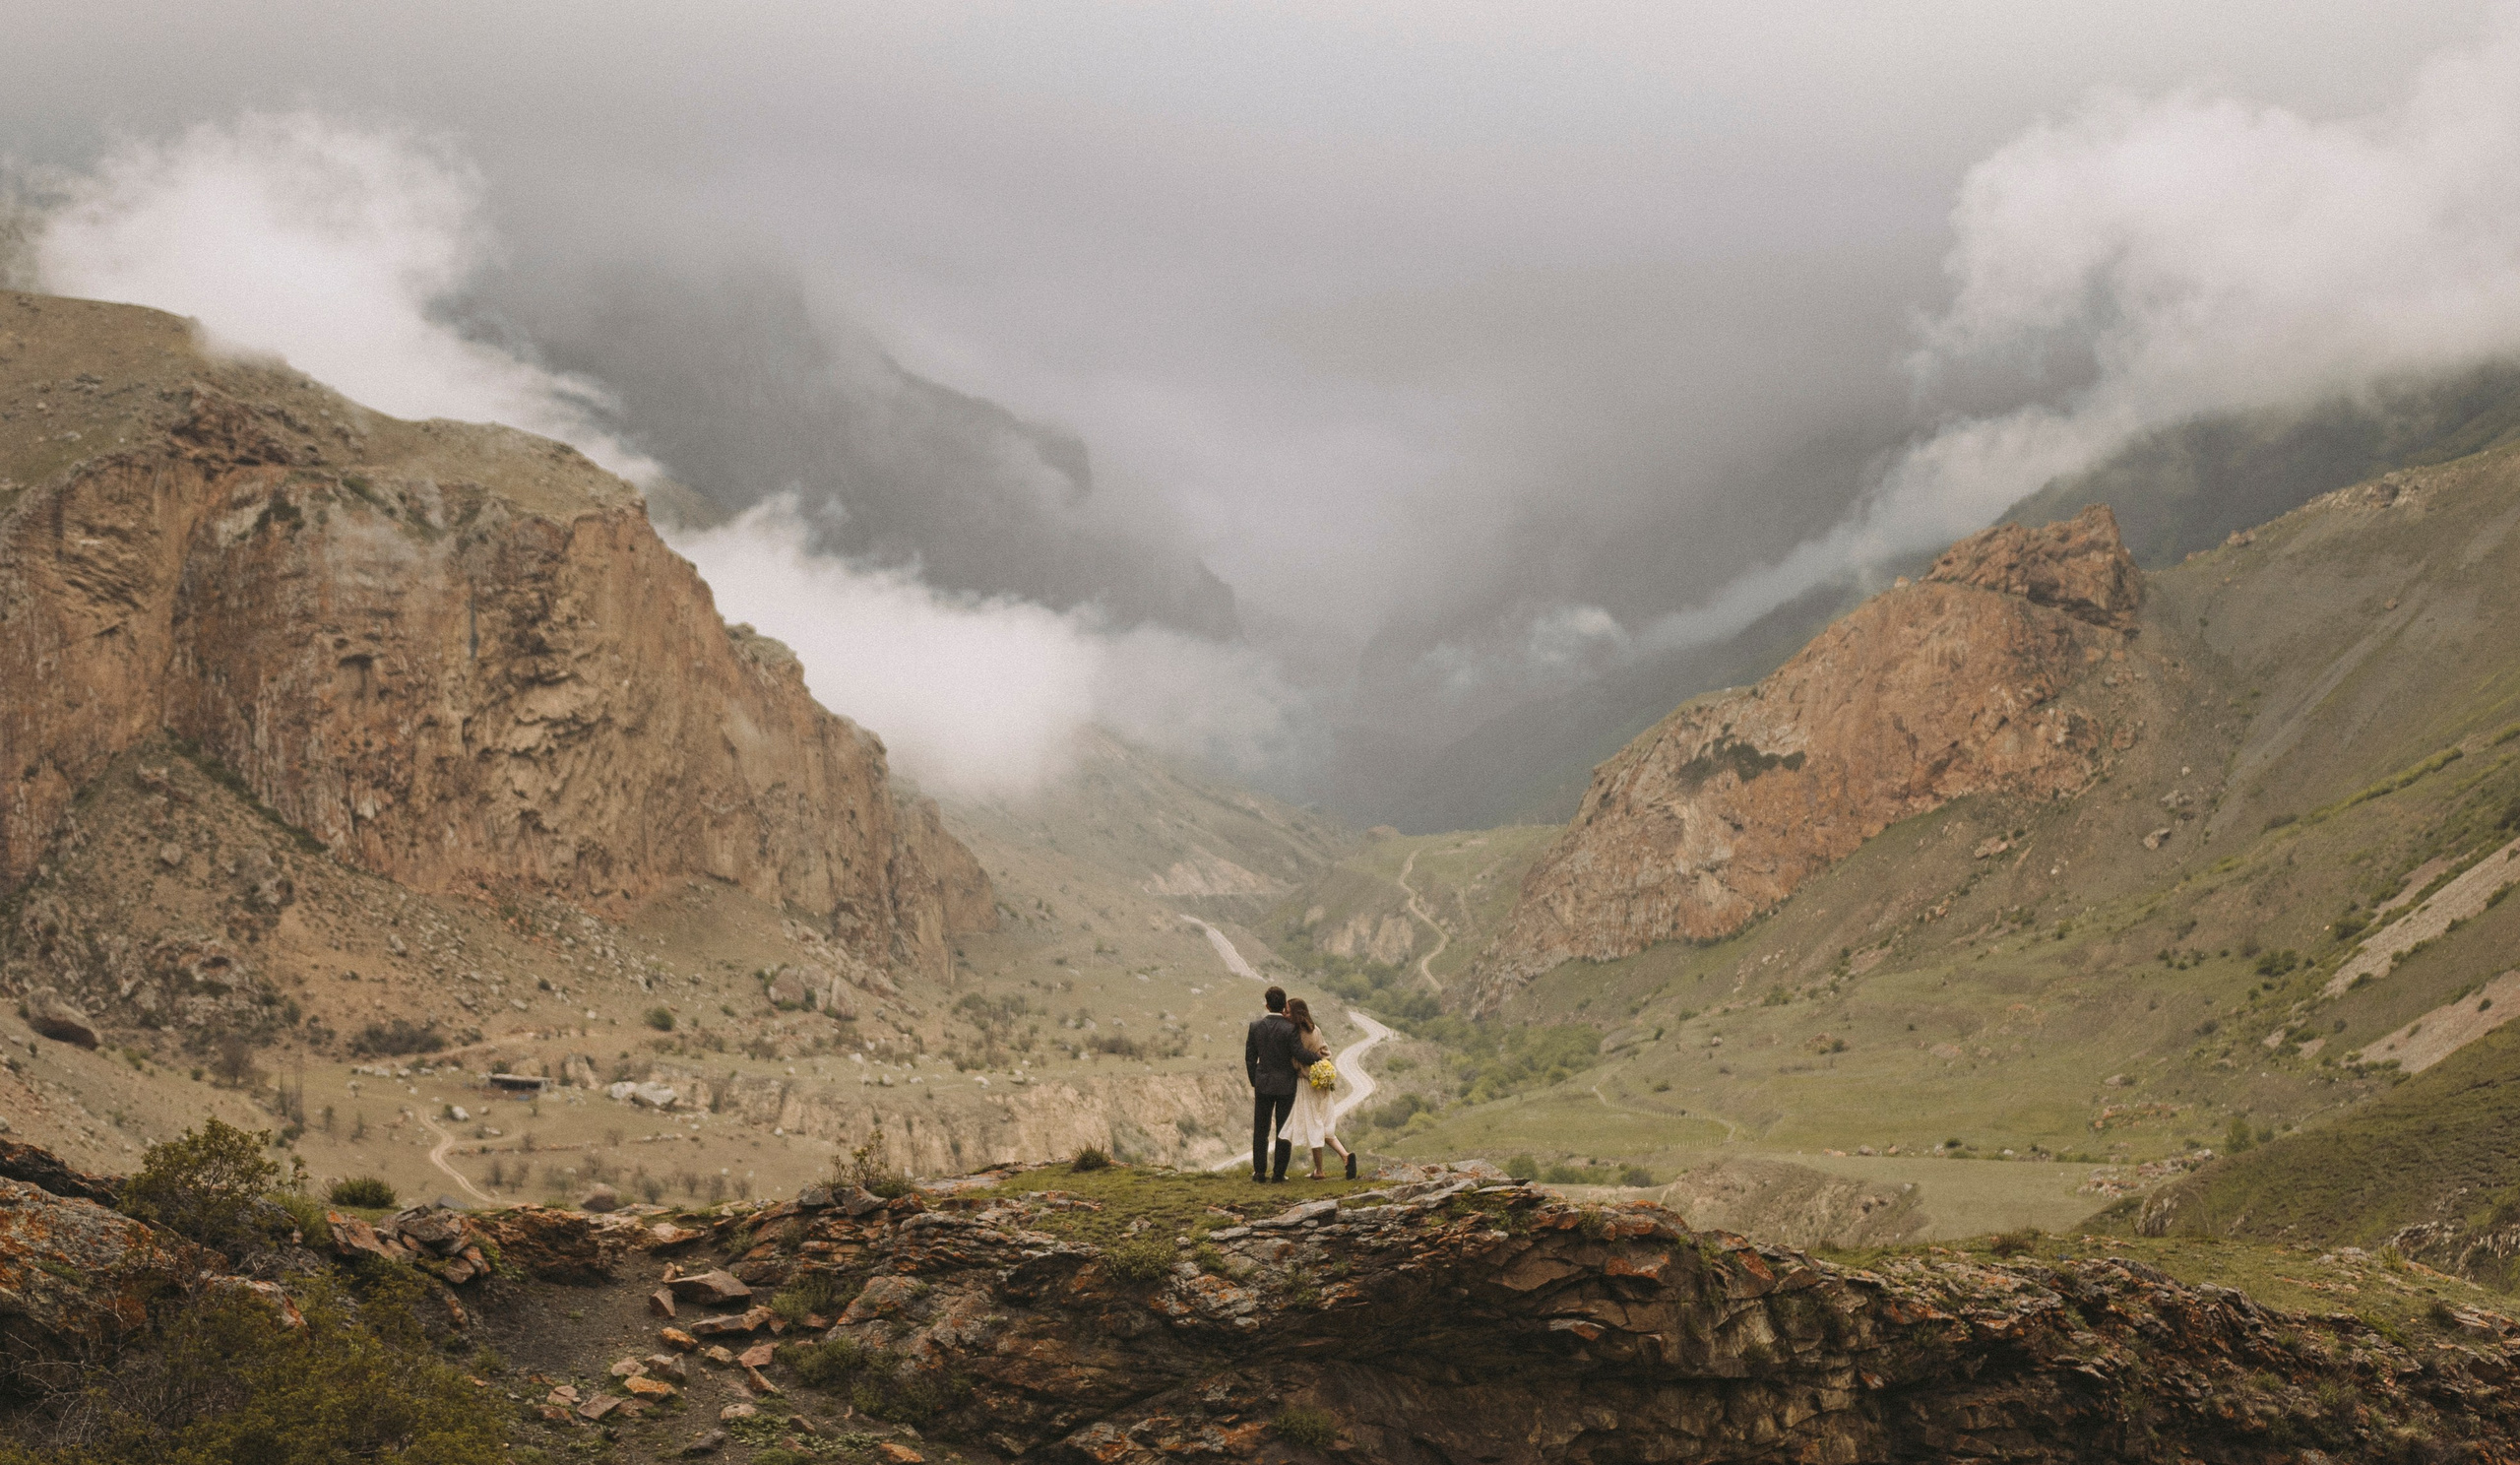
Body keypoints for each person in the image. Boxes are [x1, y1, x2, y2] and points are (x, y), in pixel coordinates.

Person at [1277, 997, 1356, 1179]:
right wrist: (1319, 1062)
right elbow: (1325, 1052)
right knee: (1322, 1123)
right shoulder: (1316, 1030)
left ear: (1296, 1013)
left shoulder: (1296, 1034)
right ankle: (1345, 1156)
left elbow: (1296, 1058)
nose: (1284, 1014)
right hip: (1321, 1082)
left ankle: (1321, 1170)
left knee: (1314, 1125)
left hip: (1306, 1083)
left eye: (1287, 1011)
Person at [1244, 985, 1300, 1182]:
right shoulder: (1291, 1028)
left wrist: (1256, 1080)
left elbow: (1250, 1058)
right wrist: (1319, 1059)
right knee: (1284, 1130)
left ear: (1267, 1005)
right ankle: (1278, 1173)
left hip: (1264, 1084)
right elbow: (1298, 1054)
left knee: (1261, 1129)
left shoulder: (1255, 1026)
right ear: (1284, 1005)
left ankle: (1259, 1172)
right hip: (1286, 1085)